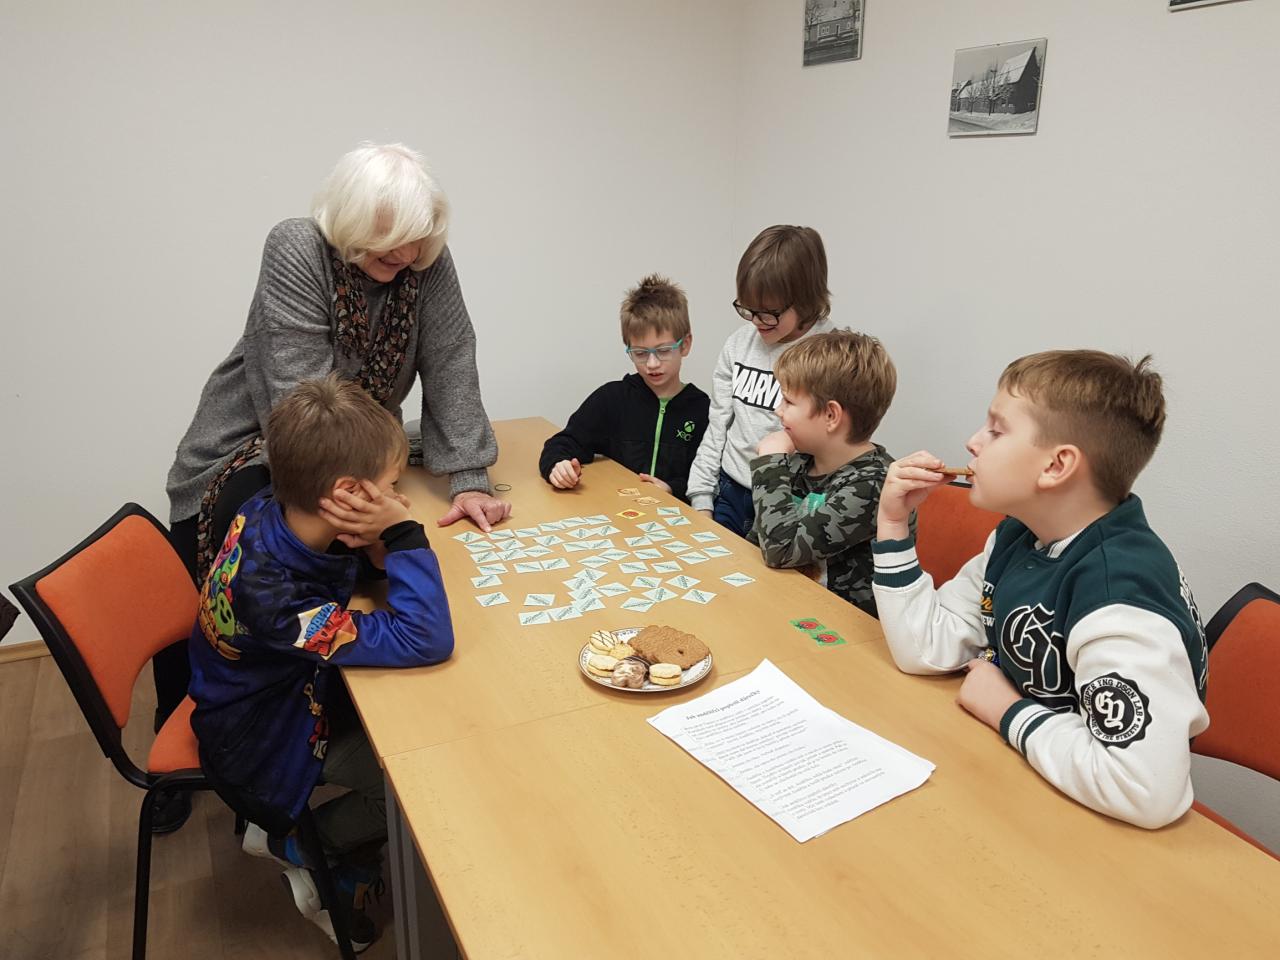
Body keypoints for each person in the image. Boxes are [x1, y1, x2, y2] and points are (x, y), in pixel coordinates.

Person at [157, 144, 507, 830]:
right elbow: (298, 406)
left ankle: (317, 710)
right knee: (254, 607)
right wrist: (375, 511)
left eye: (418, 240)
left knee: (348, 588)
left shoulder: (425, 263)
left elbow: (451, 358)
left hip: (354, 452)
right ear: (346, 220)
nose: (406, 254)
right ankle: (203, 756)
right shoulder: (297, 246)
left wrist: (468, 475)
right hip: (265, 449)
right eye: (389, 239)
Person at [871, 350, 1209, 829]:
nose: (973, 442)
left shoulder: (1119, 595)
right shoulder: (1020, 535)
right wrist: (892, 524)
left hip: (1094, 828)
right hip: (1024, 783)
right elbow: (925, 647)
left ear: (1056, 466)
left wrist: (1007, 709)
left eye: (996, 430)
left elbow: (1145, 791)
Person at [189, 375, 455, 950]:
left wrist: (374, 540)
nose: (400, 500)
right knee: (415, 790)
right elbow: (425, 638)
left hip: (264, 694)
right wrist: (402, 535)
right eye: (391, 487)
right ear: (347, 493)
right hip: (259, 742)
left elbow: (352, 573)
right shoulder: (277, 601)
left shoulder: (268, 505)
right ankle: (302, 845)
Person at [686, 225, 839, 536]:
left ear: (805, 301)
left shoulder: (830, 354)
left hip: (788, 500)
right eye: (748, 309)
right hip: (729, 490)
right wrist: (701, 497)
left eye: (769, 313)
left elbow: (835, 448)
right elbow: (718, 426)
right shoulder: (738, 345)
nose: (757, 321)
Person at [748, 330, 898, 616]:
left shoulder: (872, 485)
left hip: (841, 627)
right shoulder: (801, 461)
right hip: (785, 604)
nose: (778, 411)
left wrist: (770, 463)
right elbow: (758, 542)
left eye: (788, 402)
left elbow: (780, 551)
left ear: (831, 416)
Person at [538, 274, 709, 500]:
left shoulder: (701, 408)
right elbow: (564, 443)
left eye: (663, 350)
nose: (652, 364)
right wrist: (558, 466)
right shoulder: (612, 399)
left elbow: (707, 476)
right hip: (619, 510)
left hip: (674, 513)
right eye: (640, 353)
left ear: (685, 345)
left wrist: (671, 488)